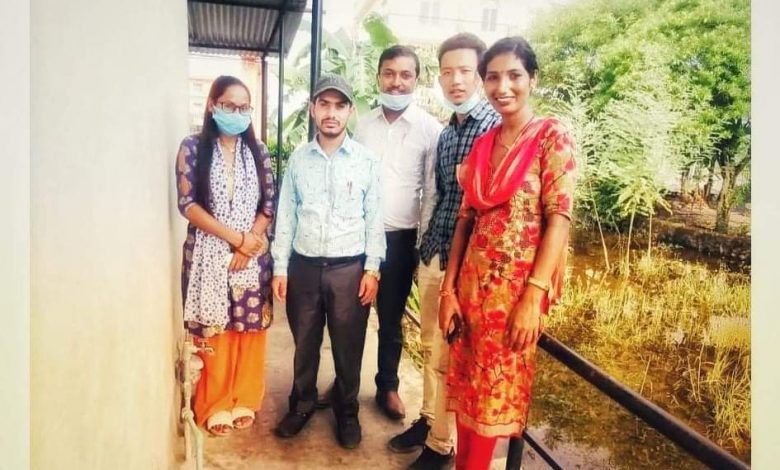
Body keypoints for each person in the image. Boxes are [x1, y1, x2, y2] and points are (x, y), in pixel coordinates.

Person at [438, 36, 577, 470]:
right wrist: (448, 292)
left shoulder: (551, 137)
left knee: (490, 409)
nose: (503, 87)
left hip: (513, 301)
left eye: (514, 75)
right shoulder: (483, 144)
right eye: (493, 77)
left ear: (532, 79)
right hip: (469, 294)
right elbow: (465, 220)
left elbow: (559, 217)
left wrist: (533, 297)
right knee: (466, 399)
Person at [388, 33, 502, 469]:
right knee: (430, 345)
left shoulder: (494, 129)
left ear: (480, 75)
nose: (456, 80)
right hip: (436, 251)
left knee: (450, 354)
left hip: (469, 265)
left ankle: (441, 443)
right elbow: (435, 195)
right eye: (448, 72)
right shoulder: (448, 130)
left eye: (465, 71)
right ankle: (429, 420)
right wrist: (424, 247)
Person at [271, 74, 386, 449]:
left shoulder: (366, 162)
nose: (331, 113)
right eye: (324, 104)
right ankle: (302, 404)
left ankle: (347, 411)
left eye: (339, 105)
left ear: (350, 111)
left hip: (349, 269)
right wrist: (281, 267)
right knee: (304, 342)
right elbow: (286, 215)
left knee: (348, 346)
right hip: (304, 266)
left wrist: (372, 268)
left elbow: (374, 217)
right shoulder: (299, 160)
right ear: (312, 109)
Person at [175, 75, 276, 436]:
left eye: (243, 107)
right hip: (208, 254)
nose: (237, 113)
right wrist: (237, 240)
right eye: (229, 106)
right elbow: (188, 205)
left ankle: (244, 396)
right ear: (212, 105)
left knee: (249, 328)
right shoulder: (192, 148)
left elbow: (268, 203)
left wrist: (251, 242)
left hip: (252, 255)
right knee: (216, 329)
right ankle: (215, 402)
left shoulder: (258, 151)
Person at [353, 45, 442, 421]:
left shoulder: (430, 130)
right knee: (349, 316)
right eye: (389, 73)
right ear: (378, 77)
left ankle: (387, 386)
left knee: (391, 319)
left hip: (401, 238)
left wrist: (420, 246)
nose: (396, 81)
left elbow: (431, 192)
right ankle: (344, 383)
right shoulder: (362, 125)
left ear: (416, 80)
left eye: (406, 74)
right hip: (357, 236)